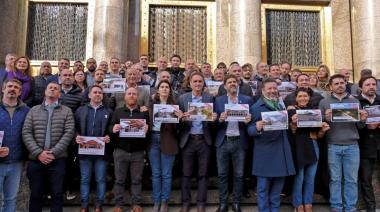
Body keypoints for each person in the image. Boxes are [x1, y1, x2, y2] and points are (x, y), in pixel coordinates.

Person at [22, 82, 75, 212]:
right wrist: (38, 153)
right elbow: (26, 132)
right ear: (45, 92)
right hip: (36, 159)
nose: (52, 90)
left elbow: (69, 133)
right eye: (50, 88)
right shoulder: (33, 110)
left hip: (58, 160)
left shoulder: (67, 111)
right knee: (35, 195)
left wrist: (54, 153)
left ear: (59, 94)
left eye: (56, 88)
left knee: (57, 194)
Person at [319, 74, 368, 212]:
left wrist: (363, 119)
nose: (340, 85)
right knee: (335, 179)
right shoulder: (324, 102)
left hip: (352, 146)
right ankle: (336, 207)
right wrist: (325, 118)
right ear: (331, 86)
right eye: (336, 83)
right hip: (332, 145)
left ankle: (350, 208)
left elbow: (360, 126)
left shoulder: (355, 101)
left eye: (342, 82)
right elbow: (318, 124)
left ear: (345, 84)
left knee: (351, 179)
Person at [248, 78, 295, 212]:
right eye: (270, 88)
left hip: (281, 150)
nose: (273, 91)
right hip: (265, 152)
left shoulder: (281, 105)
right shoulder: (256, 107)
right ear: (263, 91)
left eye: (275, 88)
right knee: (263, 187)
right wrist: (256, 127)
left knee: (277, 188)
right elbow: (249, 130)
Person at [178, 72, 217, 212]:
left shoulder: (209, 98)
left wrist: (214, 119)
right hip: (188, 140)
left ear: (203, 83)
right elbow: (178, 122)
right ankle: (185, 202)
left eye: (200, 81)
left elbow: (214, 123)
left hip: (203, 140)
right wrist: (182, 118)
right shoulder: (183, 98)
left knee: (203, 174)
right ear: (190, 83)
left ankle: (201, 203)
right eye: (195, 81)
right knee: (186, 173)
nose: (198, 84)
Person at [287, 87, 330, 212]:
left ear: (309, 98)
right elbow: (291, 131)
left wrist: (322, 129)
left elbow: (319, 135)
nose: (303, 98)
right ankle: (297, 203)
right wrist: (293, 124)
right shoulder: (291, 111)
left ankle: (308, 203)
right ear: (295, 98)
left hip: (313, 145)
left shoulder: (314, 112)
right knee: (299, 177)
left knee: (311, 177)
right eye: (300, 96)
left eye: (305, 96)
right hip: (298, 147)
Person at [214, 75, 253, 212]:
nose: (232, 84)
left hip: (239, 142)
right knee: (222, 175)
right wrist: (219, 119)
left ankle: (236, 202)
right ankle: (223, 203)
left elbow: (252, 121)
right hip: (223, 142)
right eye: (229, 82)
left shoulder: (247, 100)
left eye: (234, 82)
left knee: (239, 174)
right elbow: (213, 123)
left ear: (238, 85)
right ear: (224, 86)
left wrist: (249, 119)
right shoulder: (218, 101)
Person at [109, 87, 149, 212]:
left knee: (136, 180)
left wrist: (147, 130)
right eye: (129, 93)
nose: (131, 95)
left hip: (138, 152)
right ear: (125, 96)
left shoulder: (144, 113)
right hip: (121, 151)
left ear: (138, 97)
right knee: (119, 180)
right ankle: (118, 205)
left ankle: (136, 204)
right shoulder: (117, 111)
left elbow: (149, 133)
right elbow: (110, 128)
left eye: (134, 94)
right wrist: (113, 128)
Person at [75, 85, 112, 212]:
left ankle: (98, 205)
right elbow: (74, 128)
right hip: (84, 152)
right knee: (85, 179)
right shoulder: (80, 110)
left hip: (101, 152)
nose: (97, 94)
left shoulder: (108, 111)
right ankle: (84, 205)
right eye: (95, 92)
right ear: (89, 95)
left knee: (100, 179)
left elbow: (111, 129)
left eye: (100, 93)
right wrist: (76, 136)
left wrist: (109, 136)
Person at [148, 80, 182, 212]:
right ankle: (156, 201)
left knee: (166, 174)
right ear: (158, 90)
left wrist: (179, 118)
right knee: (156, 173)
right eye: (162, 87)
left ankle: (164, 201)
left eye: (166, 87)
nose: (164, 89)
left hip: (169, 139)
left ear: (170, 90)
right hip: (153, 139)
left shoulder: (175, 106)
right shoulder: (150, 105)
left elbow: (178, 128)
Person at [0, 79, 30, 212]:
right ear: (3, 89)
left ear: (20, 92)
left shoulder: (27, 111)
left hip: (17, 162)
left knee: (11, 199)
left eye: (16, 87)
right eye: (10, 86)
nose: (12, 89)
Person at [356, 76, 380, 212]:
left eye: (373, 84)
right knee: (365, 180)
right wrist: (366, 126)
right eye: (367, 84)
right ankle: (371, 208)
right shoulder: (356, 102)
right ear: (361, 87)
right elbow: (353, 124)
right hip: (364, 145)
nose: (371, 86)